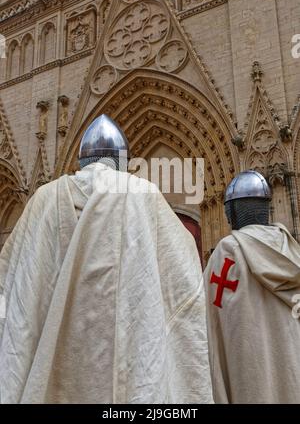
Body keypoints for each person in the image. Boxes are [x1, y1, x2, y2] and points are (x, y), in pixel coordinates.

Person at [0, 114, 213, 404]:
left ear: (81, 161)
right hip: (132, 376)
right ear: (124, 161)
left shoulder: (42, 200)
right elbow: (186, 291)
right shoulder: (145, 195)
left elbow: (10, 286)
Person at [204, 170, 300, 404]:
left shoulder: (227, 252)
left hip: (247, 375)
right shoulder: (291, 251)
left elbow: (206, 318)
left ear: (233, 210)